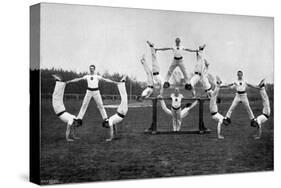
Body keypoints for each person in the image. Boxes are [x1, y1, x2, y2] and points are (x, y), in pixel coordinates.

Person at [52, 75, 80, 142]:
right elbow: (68, 129)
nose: (76, 126)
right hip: (59, 109)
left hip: (61, 109)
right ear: (76, 121)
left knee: (58, 96)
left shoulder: (74, 118)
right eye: (77, 125)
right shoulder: (71, 120)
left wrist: (74, 137)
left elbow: (73, 129)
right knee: (56, 96)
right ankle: (58, 81)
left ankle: (59, 82)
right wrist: (68, 139)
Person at [104, 76, 128, 142]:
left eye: (107, 125)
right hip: (121, 112)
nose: (108, 126)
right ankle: (121, 83)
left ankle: (121, 83)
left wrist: (110, 138)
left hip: (121, 112)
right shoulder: (111, 120)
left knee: (124, 98)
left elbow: (112, 129)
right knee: (124, 97)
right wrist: (115, 135)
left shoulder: (110, 121)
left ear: (106, 123)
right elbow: (114, 127)